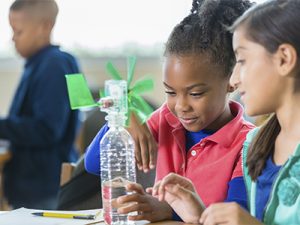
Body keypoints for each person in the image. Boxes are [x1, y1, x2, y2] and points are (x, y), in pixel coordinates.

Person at [85, 0, 254, 222]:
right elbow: (93, 164)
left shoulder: (248, 144)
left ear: (231, 80)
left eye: (195, 94)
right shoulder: (167, 119)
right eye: (170, 92)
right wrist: (121, 122)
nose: (181, 106)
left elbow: (235, 215)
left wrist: (169, 210)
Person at [153, 0, 300, 224]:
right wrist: (200, 216)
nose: (233, 79)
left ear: (284, 59)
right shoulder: (256, 144)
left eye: (242, 60)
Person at [0, 0, 80, 209]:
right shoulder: (41, 63)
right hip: (34, 184)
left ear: (45, 26)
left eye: (18, 31)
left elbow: (47, 129)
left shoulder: (54, 65)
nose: (13, 38)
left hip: (43, 187)